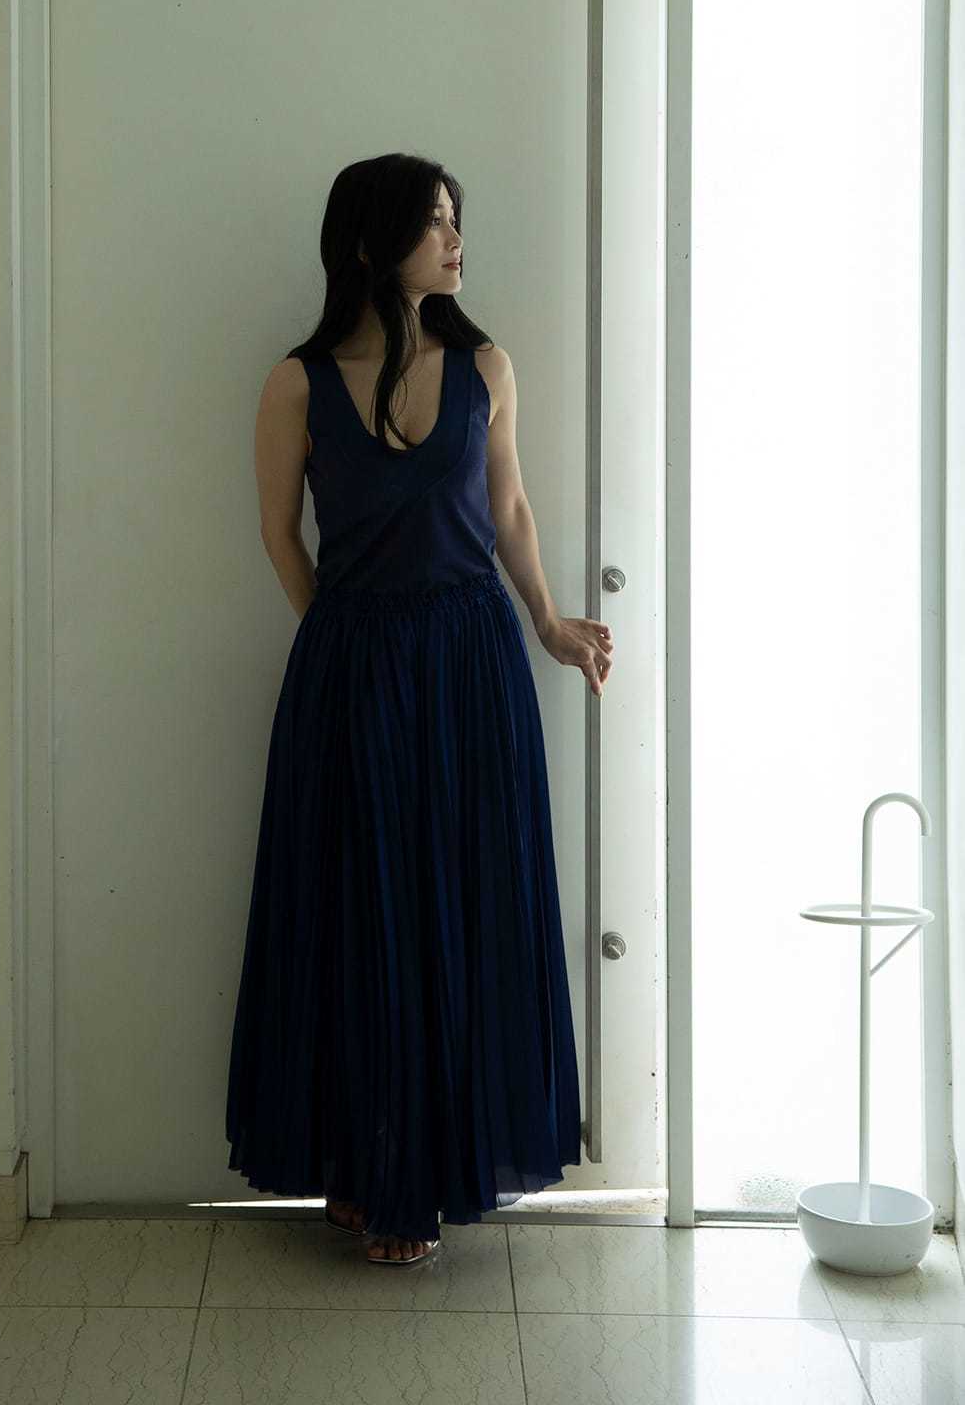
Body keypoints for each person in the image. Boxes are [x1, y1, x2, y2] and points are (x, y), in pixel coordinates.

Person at [225, 152, 613, 1265]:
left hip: (471, 663)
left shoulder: (486, 365)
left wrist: (548, 621)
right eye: (433, 223)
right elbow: (277, 534)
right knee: (359, 911)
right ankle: (362, 1167)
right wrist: (338, 639)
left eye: (455, 221)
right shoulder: (295, 383)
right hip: (350, 667)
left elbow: (510, 509)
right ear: (368, 242)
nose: (455, 241)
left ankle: (427, 1176)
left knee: (461, 906)